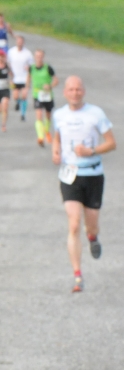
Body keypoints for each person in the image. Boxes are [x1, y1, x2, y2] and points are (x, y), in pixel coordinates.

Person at [51, 76, 116, 293]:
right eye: (71, 89)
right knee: (74, 223)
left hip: (93, 174)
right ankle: (78, 275)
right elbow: (57, 137)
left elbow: (112, 143)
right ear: (65, 93)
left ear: (84, 91)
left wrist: (92, 151)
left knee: (91, 223)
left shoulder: (96, 114)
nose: (75, 93)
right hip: (69, 175)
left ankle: (93, 237)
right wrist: (55, 151)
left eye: (78, 89)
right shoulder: (59, 115)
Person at [30, 49, 59, 148]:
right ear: (34, 57)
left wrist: (50, 86)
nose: (39, 58)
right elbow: (28, 79)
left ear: (43, 57)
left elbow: (56, 81)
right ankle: (40, 137)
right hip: (37, 95)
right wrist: (25, 89)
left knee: (48, 116)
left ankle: (46, 131)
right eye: (37, 56)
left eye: (40, 56)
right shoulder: (31, 68)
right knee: (38, 115)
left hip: (47, 95)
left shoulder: (48, 68)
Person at [6, 35, 34, 122]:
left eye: (21, 42)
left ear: (23, 43)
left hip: (24, 78)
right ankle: (17, 102)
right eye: (18, 41)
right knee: (15, 96)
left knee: (24, 96)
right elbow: (7, 63)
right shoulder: (11, 52)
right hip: (14, 78)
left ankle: (23, 114)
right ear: (16, 42)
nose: (19, 43)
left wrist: (28, 68)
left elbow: (32, 65)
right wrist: (9, 73)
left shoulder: (28, 53)